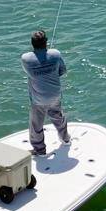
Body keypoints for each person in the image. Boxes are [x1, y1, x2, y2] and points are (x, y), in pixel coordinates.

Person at [21, 29, 71, 157]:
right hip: (55, 95)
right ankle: (66, 139)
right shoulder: (55, 54)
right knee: (58, 116)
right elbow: (62, 71)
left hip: (38, 99)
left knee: (36, 124)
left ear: (32, 43)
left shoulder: (26, 59)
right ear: (46, 42)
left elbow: (29, 73)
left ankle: (40, 150)